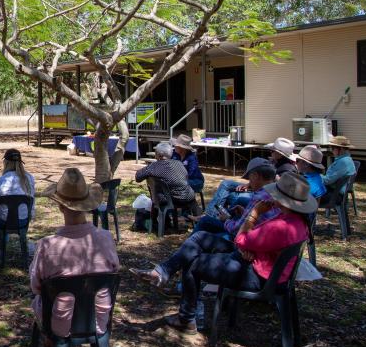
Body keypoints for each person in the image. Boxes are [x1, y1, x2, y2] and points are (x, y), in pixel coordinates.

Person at [132, 172, 314, 334]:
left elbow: (241, 239)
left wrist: (254, 213)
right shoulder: (296, 220)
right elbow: (257, 241)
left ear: (282, 199)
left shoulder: (280, 225)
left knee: (192, 263)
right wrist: (248, 246)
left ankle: (186, 319)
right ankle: (164, 270)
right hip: (262, 264)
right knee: (201, 237)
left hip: (258, 275)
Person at [30, 168, 120, 347]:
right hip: (99, 320)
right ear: (88, 205)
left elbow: (35, 287)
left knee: (38, 300)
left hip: (57, 324)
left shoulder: (47, 246)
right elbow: (114, 273)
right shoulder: (106, 238)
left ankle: (50, 346)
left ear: (60, 206)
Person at [203, 136, 296, 216]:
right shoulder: (277, 162)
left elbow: (277, 191)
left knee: (231, 195)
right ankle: (213, 215)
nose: (270, 153)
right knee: (226, 184)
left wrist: (251, 187)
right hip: (259, 187)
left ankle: (213, 216)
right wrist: (248, 185)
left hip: (265, 194)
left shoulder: (287, 170)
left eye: (272, 151)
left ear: (279, 154)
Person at [190, 158, 278, 237]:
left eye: (249, 178)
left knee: (205, 221)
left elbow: (237, 230)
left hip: (248, 240)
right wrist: (245, 213)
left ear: (255, 176)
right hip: (262, 234)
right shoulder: (276, 191)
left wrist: (226, 220)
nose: (249, 182)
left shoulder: (259, 197)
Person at [0, 148, 36, 233]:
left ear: (5, 162)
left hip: (4, 222)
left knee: (0, 213)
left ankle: (3, 241)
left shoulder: (0, 181)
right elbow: (32, 202)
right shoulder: (30, 178)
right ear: (21, 163)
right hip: (24, 220)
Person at [134, 142, 196, 209]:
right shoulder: (179, 163)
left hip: (172, 200)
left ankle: (157, 215)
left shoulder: (155, 166)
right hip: (189, 197)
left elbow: (138, 177)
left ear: (159, 155)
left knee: (152, 182)